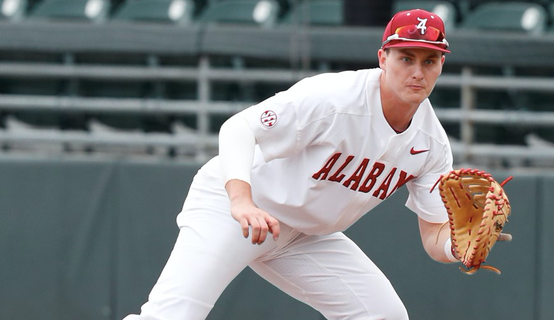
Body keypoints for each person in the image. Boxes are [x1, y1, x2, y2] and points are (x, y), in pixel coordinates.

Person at [125, 9, 462, 320]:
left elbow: (434, 235)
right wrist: (240, 201)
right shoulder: (335, 96)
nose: (418, 72)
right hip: (234, 208)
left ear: (441, 65)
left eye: (430, 61)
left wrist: (459, 245)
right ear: (383, 58)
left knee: (384, 316)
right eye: (406, 58)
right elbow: (239, 128)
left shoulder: (432, 145)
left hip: (304, 236)